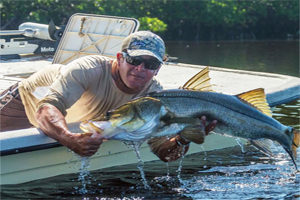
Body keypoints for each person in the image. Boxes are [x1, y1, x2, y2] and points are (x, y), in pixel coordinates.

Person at [0, 31, 216, 161]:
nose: (140, 69)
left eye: (150, 64)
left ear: (159, 68)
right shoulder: (88, 68)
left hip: (75, 117)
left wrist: (184, 137)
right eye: (134, 60)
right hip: (26, 100)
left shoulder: (154, 95)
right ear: (120, 57)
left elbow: (164, 154)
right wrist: (69, 139)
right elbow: (47, 108)